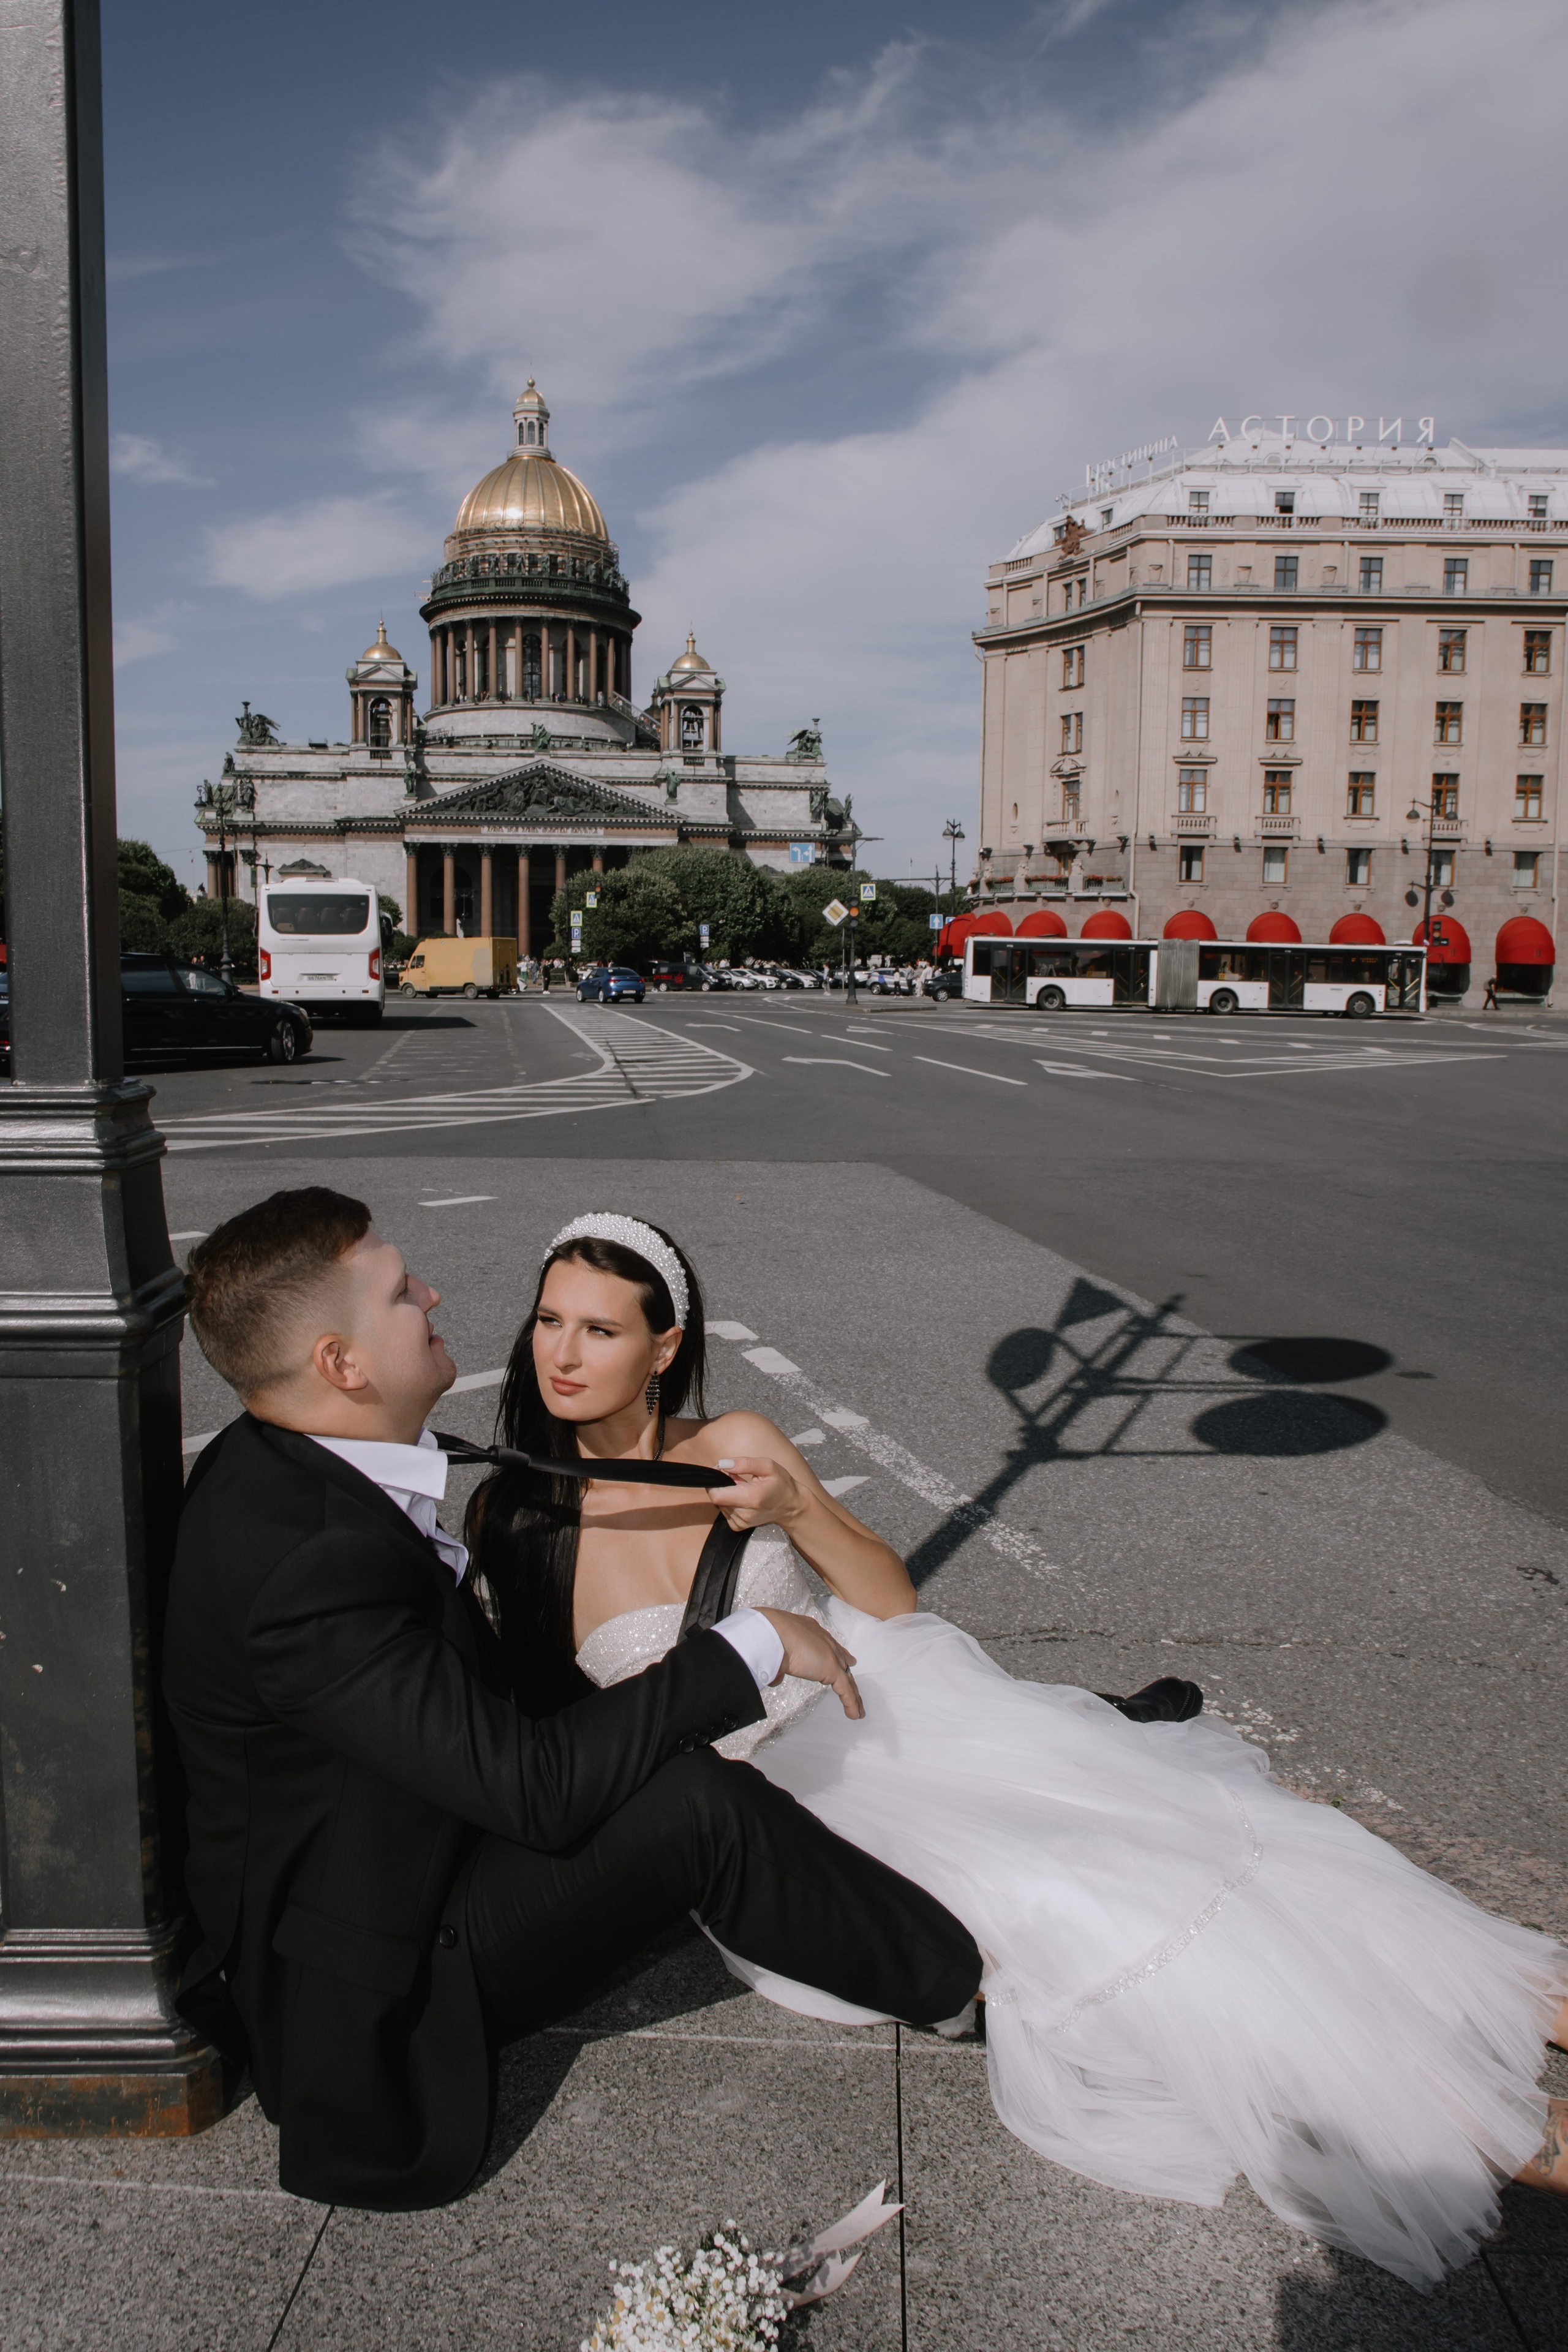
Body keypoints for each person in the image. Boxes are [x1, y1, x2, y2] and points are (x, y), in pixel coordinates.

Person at [469, 1212, 1568, 2293]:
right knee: (1063, 1901)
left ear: (664, 1348)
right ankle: (1448, 2108)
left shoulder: (736, 1445)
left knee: (1174, 1834)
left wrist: (798, 1507)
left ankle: (1519, 2000)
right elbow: (556, 1741)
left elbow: (889, 1600)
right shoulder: (518, 1522)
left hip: (895, 1708)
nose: (562, 1353)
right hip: (771, 1808)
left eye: (599, 1329)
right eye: (549, 1320)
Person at [164, 1189, 980, 2212]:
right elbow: (535, 1790)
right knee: (698, 1804)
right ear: (343, 1363)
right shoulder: (309, 1561)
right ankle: (964, 1994)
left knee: (679, 1778)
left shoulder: (286, 1463)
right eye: (400, 1291)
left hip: (413, 1843)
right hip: (391, 1968)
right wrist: (756, 1643)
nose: (433, 1294)